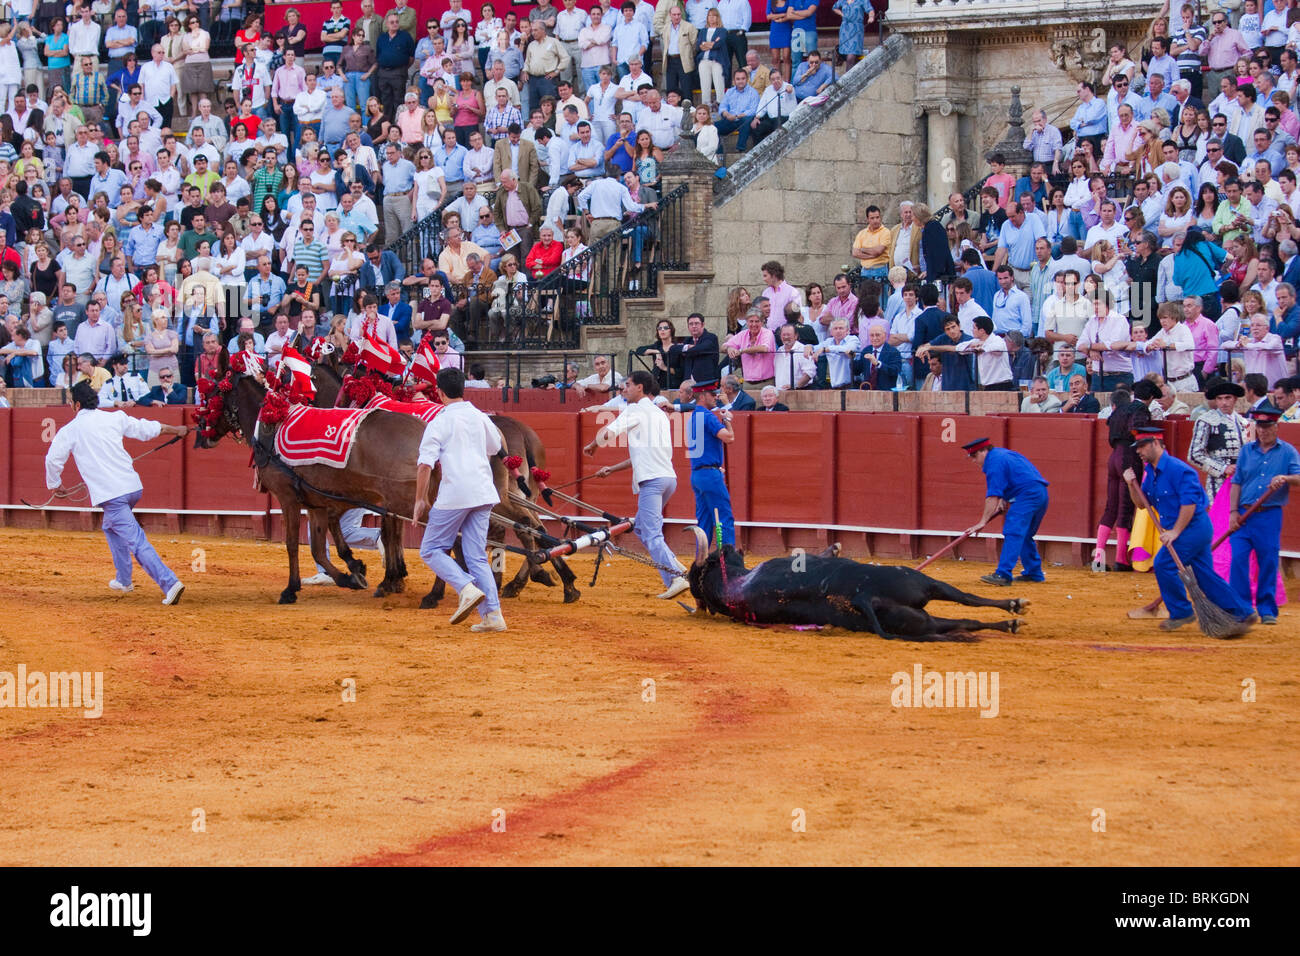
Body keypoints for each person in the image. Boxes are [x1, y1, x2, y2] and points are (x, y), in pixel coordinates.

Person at [44, 381, 189, 604]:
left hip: (112, 495)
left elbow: (53, 459)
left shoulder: (71, 430)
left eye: (71, 402)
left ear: (77, 404)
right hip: (132, 488)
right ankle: (123, 580)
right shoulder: (114, 417)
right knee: (110, 527)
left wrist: (54, 484)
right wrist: (175, 429)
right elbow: (146, 428)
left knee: (136, 541)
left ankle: (169, 583)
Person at [1125, 426, 1257, 631]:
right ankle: (1242, 611)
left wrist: (1175, 532)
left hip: (1193, 529)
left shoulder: (1180, 469)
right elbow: (1142, 504)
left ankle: (1181, 612)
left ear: (1157, 444)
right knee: (1204, 575)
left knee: (1163, 564)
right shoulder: (1150, 472)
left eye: (1142, 446)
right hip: (1181, 529)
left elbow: (1190, 505)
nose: (1138, 451)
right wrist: (1130, 485)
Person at [412, 366, 507, 632]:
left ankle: (465, 588)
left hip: (454, 494)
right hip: (483, 491)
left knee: (431, 549)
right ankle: (493, 616)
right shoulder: (480, 417)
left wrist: (420, 500)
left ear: (439, 393)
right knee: (476, 555)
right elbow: (495, 448)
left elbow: (424, 466)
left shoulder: (439, 422)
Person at [583, 369, 690, 599]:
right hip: (667, 479)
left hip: (652, 481)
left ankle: (676, 578)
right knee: (642, 528)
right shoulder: (659, 414)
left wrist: (593, 445)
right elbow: (641, 455)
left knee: (651, 534)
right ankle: (676, 568)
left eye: (628, 385)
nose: (623, 389)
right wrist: (612, 468)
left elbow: (611, 431)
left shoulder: (636, 408)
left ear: (640, 387)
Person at [1229, 402, 1300, 624]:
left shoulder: (1288, 451)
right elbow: (1236, 483)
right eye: (1259, 426)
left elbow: (1299, 478)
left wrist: (1285, 478)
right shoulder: (1246, 451)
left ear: (1276, 427)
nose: (1263, 431)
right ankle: (1241, 609)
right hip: (1244, 513)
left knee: (1267, 561)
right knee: (1238, 560)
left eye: (1267, 426)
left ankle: (1267, 609)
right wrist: (1232, 512)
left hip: (1269, 515)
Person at [963, 436, 1050, 586]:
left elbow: (992, 496)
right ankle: (1034, 573)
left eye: (974, 455)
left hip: (1027, 495)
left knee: (1013, 531)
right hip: (1040, 494)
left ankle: (1003, 574)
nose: (973, 460)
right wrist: (1005, 499)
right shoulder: (1002, 454)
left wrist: (982, 522)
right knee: (1025, 534)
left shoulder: (994, 462)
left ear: (984, 451)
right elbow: (1017, 477)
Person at [685, 377, 736, 546]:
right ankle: (728, 561)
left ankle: (701, 565)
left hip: (697, 475)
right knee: (724, 518)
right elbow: (729, 438)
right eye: (712, 394)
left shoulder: (693, 417)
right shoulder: (707, 416)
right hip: (710, 475)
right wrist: (727, 419)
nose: (715, 397)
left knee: (704, 522)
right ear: (702, 396)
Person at [1189, 379, 1247, 501]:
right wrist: (1222, 468)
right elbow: (1194, 455)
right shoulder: (1206, 421)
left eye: (1227, 398)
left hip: (1242, 480)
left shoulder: (1243, 422)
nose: (1223, 403)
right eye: (1219, 399)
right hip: (1219, 481)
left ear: (1235, 399)